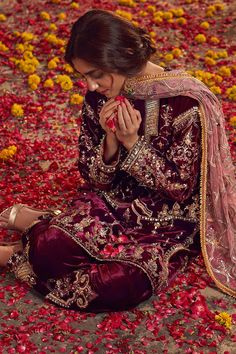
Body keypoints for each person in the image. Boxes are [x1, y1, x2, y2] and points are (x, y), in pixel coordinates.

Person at [0, 9, 235, 312]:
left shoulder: (185, 102)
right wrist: (110, 140)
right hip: (110, 204)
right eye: (85, 77)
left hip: (164, 225)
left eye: (96, 75)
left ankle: (25, 244)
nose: (91, 86)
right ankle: (37, 240)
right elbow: (93, 178)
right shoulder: (99, 98)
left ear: (122, 56)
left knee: (118, 285)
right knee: (49, 250)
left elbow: (180, 189)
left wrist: (132, 142)